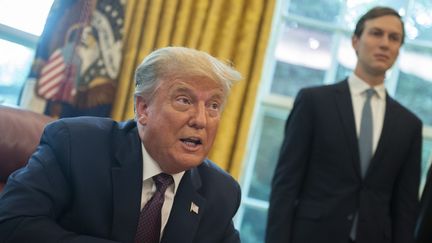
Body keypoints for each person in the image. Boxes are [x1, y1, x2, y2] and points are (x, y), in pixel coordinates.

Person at [0, 46, 243, 243]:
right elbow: (12, 223)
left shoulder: (220, 192)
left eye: (213, 105)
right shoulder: (76, 145)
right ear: (143, 108)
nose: (201, 120)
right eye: (184, 100)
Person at [266, 6, 422, 243]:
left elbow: (405, 209)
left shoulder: (409, 125)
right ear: (355, 41)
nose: (385, 43)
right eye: (376, 33)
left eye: (394, 38)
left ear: (399, 49)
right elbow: (285, 186)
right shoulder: (313, 102)